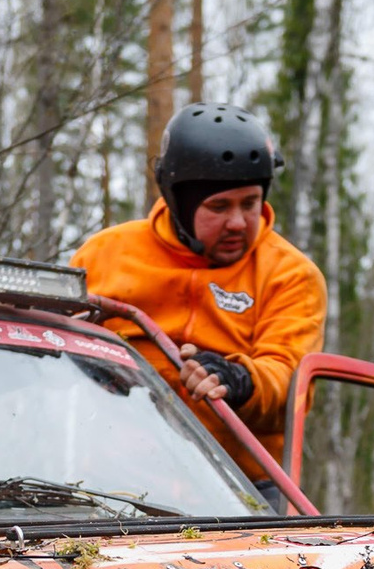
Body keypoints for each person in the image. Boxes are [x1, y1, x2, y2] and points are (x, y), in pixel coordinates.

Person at [71, 104, 326, 488]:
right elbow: (53, 343)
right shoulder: (105, 255)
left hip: (241, 489)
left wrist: (239, 380)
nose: (238, 222)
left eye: (250, 203)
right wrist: (89, 363)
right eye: (219, 207)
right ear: (179, 204)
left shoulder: (290, 274)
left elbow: (289, 383)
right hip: (116, 482)